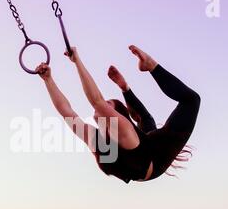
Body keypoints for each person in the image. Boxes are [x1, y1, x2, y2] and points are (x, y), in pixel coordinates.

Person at [36, 45, 201, 183]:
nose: (104, 106)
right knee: (188, 102)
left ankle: (149, 66)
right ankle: (128, 86)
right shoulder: (114, 135)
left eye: (109, 104)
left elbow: (70, 111)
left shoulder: (115, 133)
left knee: (160, 116)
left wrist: (50, 79)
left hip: (147, 155)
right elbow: (91, 104)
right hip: (153, 157)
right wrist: (54, 76)